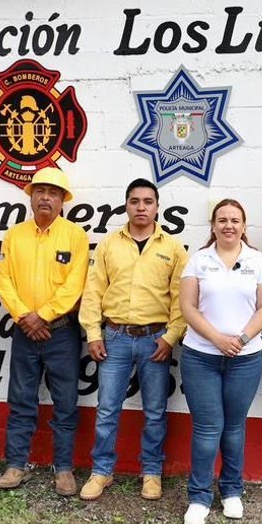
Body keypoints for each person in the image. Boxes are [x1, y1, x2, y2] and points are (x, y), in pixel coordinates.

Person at [79, 178, 188, 502]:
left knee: (155, 411)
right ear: (126, 205)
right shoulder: (109, 245)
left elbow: (181, 299)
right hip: (115, 337)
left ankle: (151, 472)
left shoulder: (172, 248)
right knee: (107, 409)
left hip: (156, 340)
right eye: (135, 201)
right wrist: (93, 334)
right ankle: (102, 471)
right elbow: (93, 291)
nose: (141, 207)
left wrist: (170, 337)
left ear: (157, 207)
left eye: (148, 202)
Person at [178, 199, 262, 524]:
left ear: (244, 226)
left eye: (235, 220)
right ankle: (199, 496)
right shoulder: (198, 260)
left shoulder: (257, 261)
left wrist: (242, 339)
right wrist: (218, 339)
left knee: (234, 428)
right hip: (201, 357)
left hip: (244, 360)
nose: (229, 225)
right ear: (213, 225)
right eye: (222, 220)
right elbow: (188, 307)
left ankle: (232, 491)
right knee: (207, 429)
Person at [0, 168, 89, 497]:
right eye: (40, 191)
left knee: (65, 402)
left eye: (53, 192)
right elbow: (4, 280)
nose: (46, 197)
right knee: (21, 400)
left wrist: (43, 317)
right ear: (31, 196)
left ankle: (63, 468)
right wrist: (25, 317)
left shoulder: (76, 236)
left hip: (61, 333)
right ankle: (15, 465)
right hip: (24, 332)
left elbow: (74, 285)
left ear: (63, 200)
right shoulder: (14, 236)